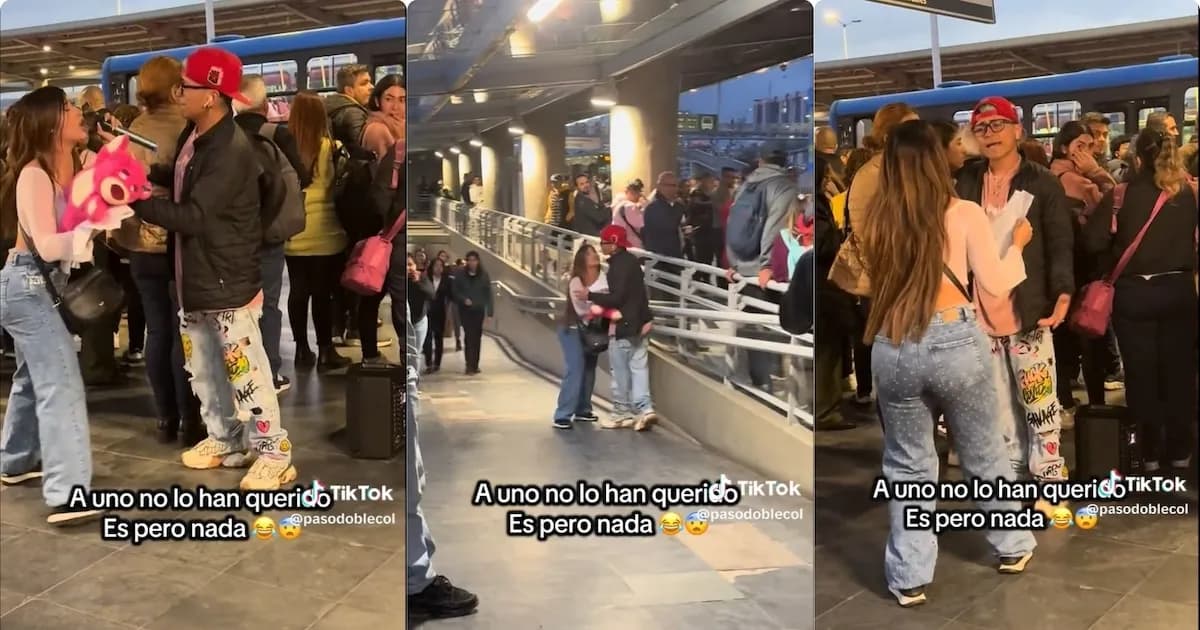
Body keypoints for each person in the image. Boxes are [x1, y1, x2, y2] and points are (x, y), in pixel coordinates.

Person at [860, 120, 1037, 607]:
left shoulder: (877, 218)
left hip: (893, 344)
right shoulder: (964, 213)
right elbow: (996, 283)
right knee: (984, 453)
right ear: (936, 161)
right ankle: (1012, 545)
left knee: (909, 465)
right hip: (956, 338)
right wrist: (1018, 243)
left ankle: (909, 577)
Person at [129, 47, 295, 490]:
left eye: (187, 85)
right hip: (196, 278)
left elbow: (197, 216)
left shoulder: (230, 148)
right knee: (203, 368)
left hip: (226, 280)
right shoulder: (197, 134)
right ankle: (225, 438)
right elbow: (182, 176)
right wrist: (149, 178)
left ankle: (273, 452)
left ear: (212, 95)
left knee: (246, 372)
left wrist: (140, 203)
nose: (177, 92)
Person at [956, 97, 1074, 500]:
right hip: (978, 313)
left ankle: (1049, 481)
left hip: (1028, 307)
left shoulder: (1043, 182)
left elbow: (1060, 242)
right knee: (998, 406)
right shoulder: (966, 181)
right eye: (981, 129)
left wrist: (1062, 293)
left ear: (1018, 130)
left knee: (1039, 401)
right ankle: (1011, 482)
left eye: (998, 125)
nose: (990, 135)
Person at [0, 86, 105, 525]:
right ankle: (68, 491)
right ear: (50, 123)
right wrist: (90, 231)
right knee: (60, 380)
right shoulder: (33, 174)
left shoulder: (74, 163)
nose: (79, 112)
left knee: (32, 375)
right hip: (24, 286)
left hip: (43, 284)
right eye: (67, 108)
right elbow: (45, 243)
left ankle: (16, 460)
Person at [1082, 128, 1197, 472]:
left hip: (1134, 295)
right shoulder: (1189, 193)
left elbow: (1092, 242)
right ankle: (1179, 451)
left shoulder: (1119, 195)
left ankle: (1146, 452)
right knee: (1179, 373)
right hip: (1178, 292)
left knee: (1141, 375)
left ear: (1137, 158)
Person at [113, 56, 200, 444]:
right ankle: (189, 418)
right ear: (176, 86)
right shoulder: (187, 127)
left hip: (140, 244)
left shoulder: (132, 131)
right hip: (177, 242)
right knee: (185, 331)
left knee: (156, 330)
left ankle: (164, 416)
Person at [235, 74, 313, 393]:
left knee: (239, 306)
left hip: (235, 236)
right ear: (266, 104)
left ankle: (242, 371)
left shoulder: (223, 135)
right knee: (267, 303)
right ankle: (270, 370)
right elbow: (302, 176)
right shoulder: (277, 134)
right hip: (268, 236)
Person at [404, 306, 479, 619]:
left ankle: (416, 576)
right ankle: (416, 583)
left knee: (412, 480)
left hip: (403, 368)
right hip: (399, 373)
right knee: (408, 484)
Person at [1048, 121, 1118, 415]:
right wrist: (1096, 171)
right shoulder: (1080, 181)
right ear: (1065, 147)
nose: (1091, 150)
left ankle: (1063, 398)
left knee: (1062, 340)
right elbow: (1116, 198)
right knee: (1090, 337)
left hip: (1057, 270)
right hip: (1084, 269)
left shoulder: (1047, 176)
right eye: (1082, 145)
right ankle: (1097, 405)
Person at [284, 91, 352, 371]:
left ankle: (301, 350)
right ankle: (326, 351)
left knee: (298, 292)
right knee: (323, 294)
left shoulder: (284, 148)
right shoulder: (333, 147)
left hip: (293, 232)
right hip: (328, 234)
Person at [574, 225, 655, 430]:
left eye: (604, 242)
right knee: (639, 370)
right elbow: (640, 295)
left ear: (613, 243)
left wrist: (590, 296)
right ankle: (645, 409)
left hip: (622, 328)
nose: (601, 246)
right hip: (639, 326)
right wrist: (647, 318)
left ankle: (621, 412)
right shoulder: (633, 263)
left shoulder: (617, 267)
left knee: (619, 373)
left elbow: (617, 298)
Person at [356, 75, 405, 364]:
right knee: (380, 292)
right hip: (384, 225)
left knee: (375, 292)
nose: (397, 107)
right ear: (378, 100)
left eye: (402, 99)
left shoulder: (399, 131)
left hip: (388, 225)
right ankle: (377, 355)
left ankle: (372, 354)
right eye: (390, 99)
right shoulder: (378, 130)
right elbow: (383, 187)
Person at [553, 243, 605, 429]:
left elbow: (606, 302)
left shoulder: (603, 278)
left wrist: (595, 301)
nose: (595, 256)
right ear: (582, 259)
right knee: (575, 368)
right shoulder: (576, 280)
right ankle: (562, 414)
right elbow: (582, 309)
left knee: (589, 369)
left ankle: (583, 409)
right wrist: (600, 305)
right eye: (590, 254)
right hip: (572, 328)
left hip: (593, 330)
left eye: (595, 253)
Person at [452, 251, 492, 375]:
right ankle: (469, 365)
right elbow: (455, 291)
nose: (472, 262)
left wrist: (489, 313)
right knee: (469, 336)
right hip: (465, 311)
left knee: (477, 337)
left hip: (479, 310)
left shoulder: (484, 275)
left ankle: (475, 364)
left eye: (474, 260)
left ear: (478, 261)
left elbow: (488, 295)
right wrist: (464, 299)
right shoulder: (460, 275)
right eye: (469, 260)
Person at [421, 257, 452, 373]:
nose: (438, 268)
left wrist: (449, 313)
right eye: (436, 265)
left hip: (440, 313)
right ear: (432, 267)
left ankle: (437, 363)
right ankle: (429, 363)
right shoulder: (426, 279)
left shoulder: (447, 281)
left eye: (440, 266)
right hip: (427, 312)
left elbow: (450, 297)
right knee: (427, 337)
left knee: (439, 338)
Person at [610, 179, 646, 249]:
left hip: (619, 241)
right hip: (630, 244)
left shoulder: (620, 204)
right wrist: (645, 208)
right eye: (638, 192)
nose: (639, 195)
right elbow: (641, 223)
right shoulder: (630, 206)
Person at [570, 172, 608, 237]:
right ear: (577, 187)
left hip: (591, 236)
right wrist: (610, 209)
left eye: (587, 182)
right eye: (582, 184)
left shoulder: (586, 197)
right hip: (589, 238)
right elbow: (599, 217)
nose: (586, 185)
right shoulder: (581, 201)